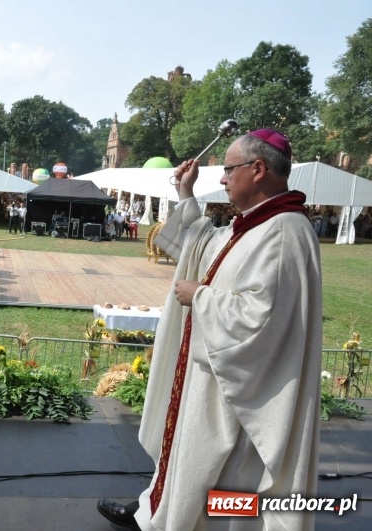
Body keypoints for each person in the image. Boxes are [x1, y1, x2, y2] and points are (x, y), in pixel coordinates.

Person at [97, 129, 322, 531]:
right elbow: (207, 246)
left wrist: (200, 297)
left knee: (225, 478)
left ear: (258, 169)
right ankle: (161, 512)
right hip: (217, 377)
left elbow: (263, 320)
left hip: (243, 394)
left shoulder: (286, 232)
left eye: (229, 169)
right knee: (194, 463)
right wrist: (187, 194)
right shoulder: (260, 226)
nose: (222, 179)